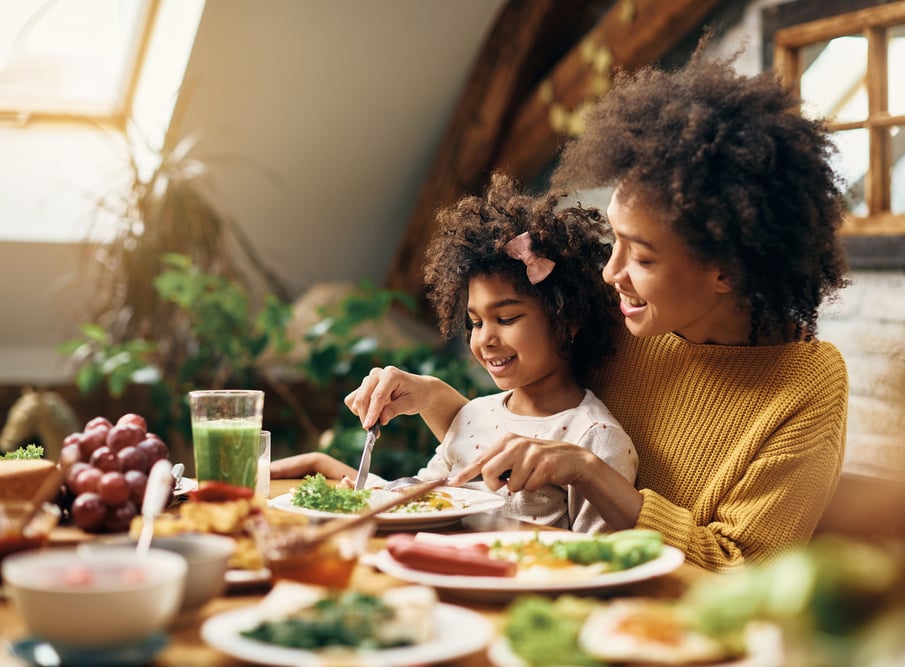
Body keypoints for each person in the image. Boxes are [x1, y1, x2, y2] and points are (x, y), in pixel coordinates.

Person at [345, 48, 850, 570]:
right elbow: (527, 435)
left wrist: (591, 473)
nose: (612, 273)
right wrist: (430, 397)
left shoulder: (804, 387)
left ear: (727, 269)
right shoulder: (620, 315)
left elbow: (737, 570)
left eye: (644, 257)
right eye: (616, 241)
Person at [275, 172, 637, 533]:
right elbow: (413, 502)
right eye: (476, 323)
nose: (485, 340)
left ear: (567, 318)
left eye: (506, 318)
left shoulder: (592, 435)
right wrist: (326, 467)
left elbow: (601, 555)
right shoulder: (473, 415)